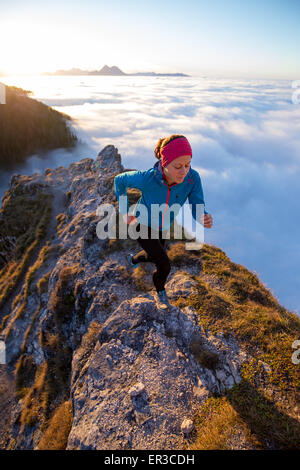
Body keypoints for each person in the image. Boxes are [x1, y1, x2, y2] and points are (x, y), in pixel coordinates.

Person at [113, 134, 213, 309]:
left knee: (153, 255)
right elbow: (119, 180)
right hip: (140, 224)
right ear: (164, 163)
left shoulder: (192, 179)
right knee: (164, 264)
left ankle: (133, 260)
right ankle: (160, 291)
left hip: (162, 227)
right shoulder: (147, 178)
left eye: (187, 165)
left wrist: (202, 216)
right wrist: (124, 211)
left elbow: (197, 204)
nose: (184, 171)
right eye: (178, 166)